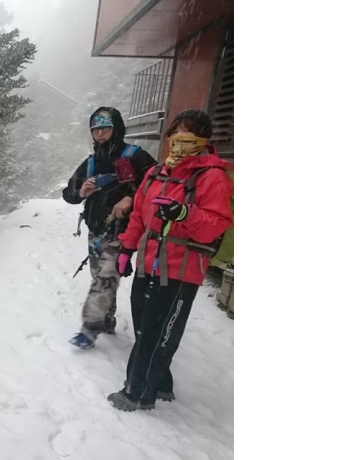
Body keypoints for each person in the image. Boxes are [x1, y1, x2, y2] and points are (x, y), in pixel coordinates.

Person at [107, 109, 233, 411]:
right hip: (147, 262)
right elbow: (138, 214)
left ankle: (137, 392)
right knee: (144, 328)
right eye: (175, 132)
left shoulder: (211, 176)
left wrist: (184, 213)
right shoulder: (156, 172)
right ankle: (161, 382)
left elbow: (217, 222)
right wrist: (126, 249)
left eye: (188, 132)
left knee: (155, 332)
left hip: (181, 266)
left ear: (203, 139)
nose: (180, 139)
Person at [62, 107, 156, 350]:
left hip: (122, 233)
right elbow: (69, 195)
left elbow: (157, 189)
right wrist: (79, 192)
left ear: (117, 128)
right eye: (96, 129)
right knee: (101, 277)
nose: (100, 133)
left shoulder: (137, 157)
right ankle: (106, 318)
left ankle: (89, 329)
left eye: (105, 127)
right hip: (96, 230)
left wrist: (131, 199)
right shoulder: (91, 162)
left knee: (104, 277)